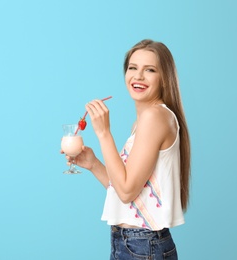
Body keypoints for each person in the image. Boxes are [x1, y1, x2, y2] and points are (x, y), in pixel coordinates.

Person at [64, 39, 191, 259]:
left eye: (149, 70)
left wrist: (104, 134)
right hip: (134, 243)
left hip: (142, 245)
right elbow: (128, 190)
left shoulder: (155, 117)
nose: (138, 76)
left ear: (164, 78)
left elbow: (126, 192)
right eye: (133, 68)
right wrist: (94, 164)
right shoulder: (144, 121)